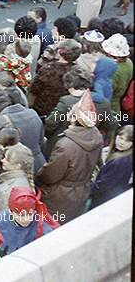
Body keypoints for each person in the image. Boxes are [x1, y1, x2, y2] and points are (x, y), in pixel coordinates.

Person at [37, 90, 102, 222]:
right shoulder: (97, 136)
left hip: (60, 195)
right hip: (81, 192)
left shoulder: (66, 145)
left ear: (74, 118)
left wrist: (39, 175)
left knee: (52, 225)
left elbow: (50, 175)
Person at [0, 186, 58, 254]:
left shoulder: (44, 227)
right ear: (11, 211)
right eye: (21, 215)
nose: (26, 219)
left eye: (30, 214)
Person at [90, 124, 133, 208]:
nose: (122, 143)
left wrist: (87, 190)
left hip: (103, 201)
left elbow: (103, 185)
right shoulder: (119, 155)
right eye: (121, 138)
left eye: (128, 141)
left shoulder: (121, 162)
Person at [0, 142, 34, 213]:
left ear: (18, 166)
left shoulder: (7, 192)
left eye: (7, 159)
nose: (2, 160)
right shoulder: (23, 178)